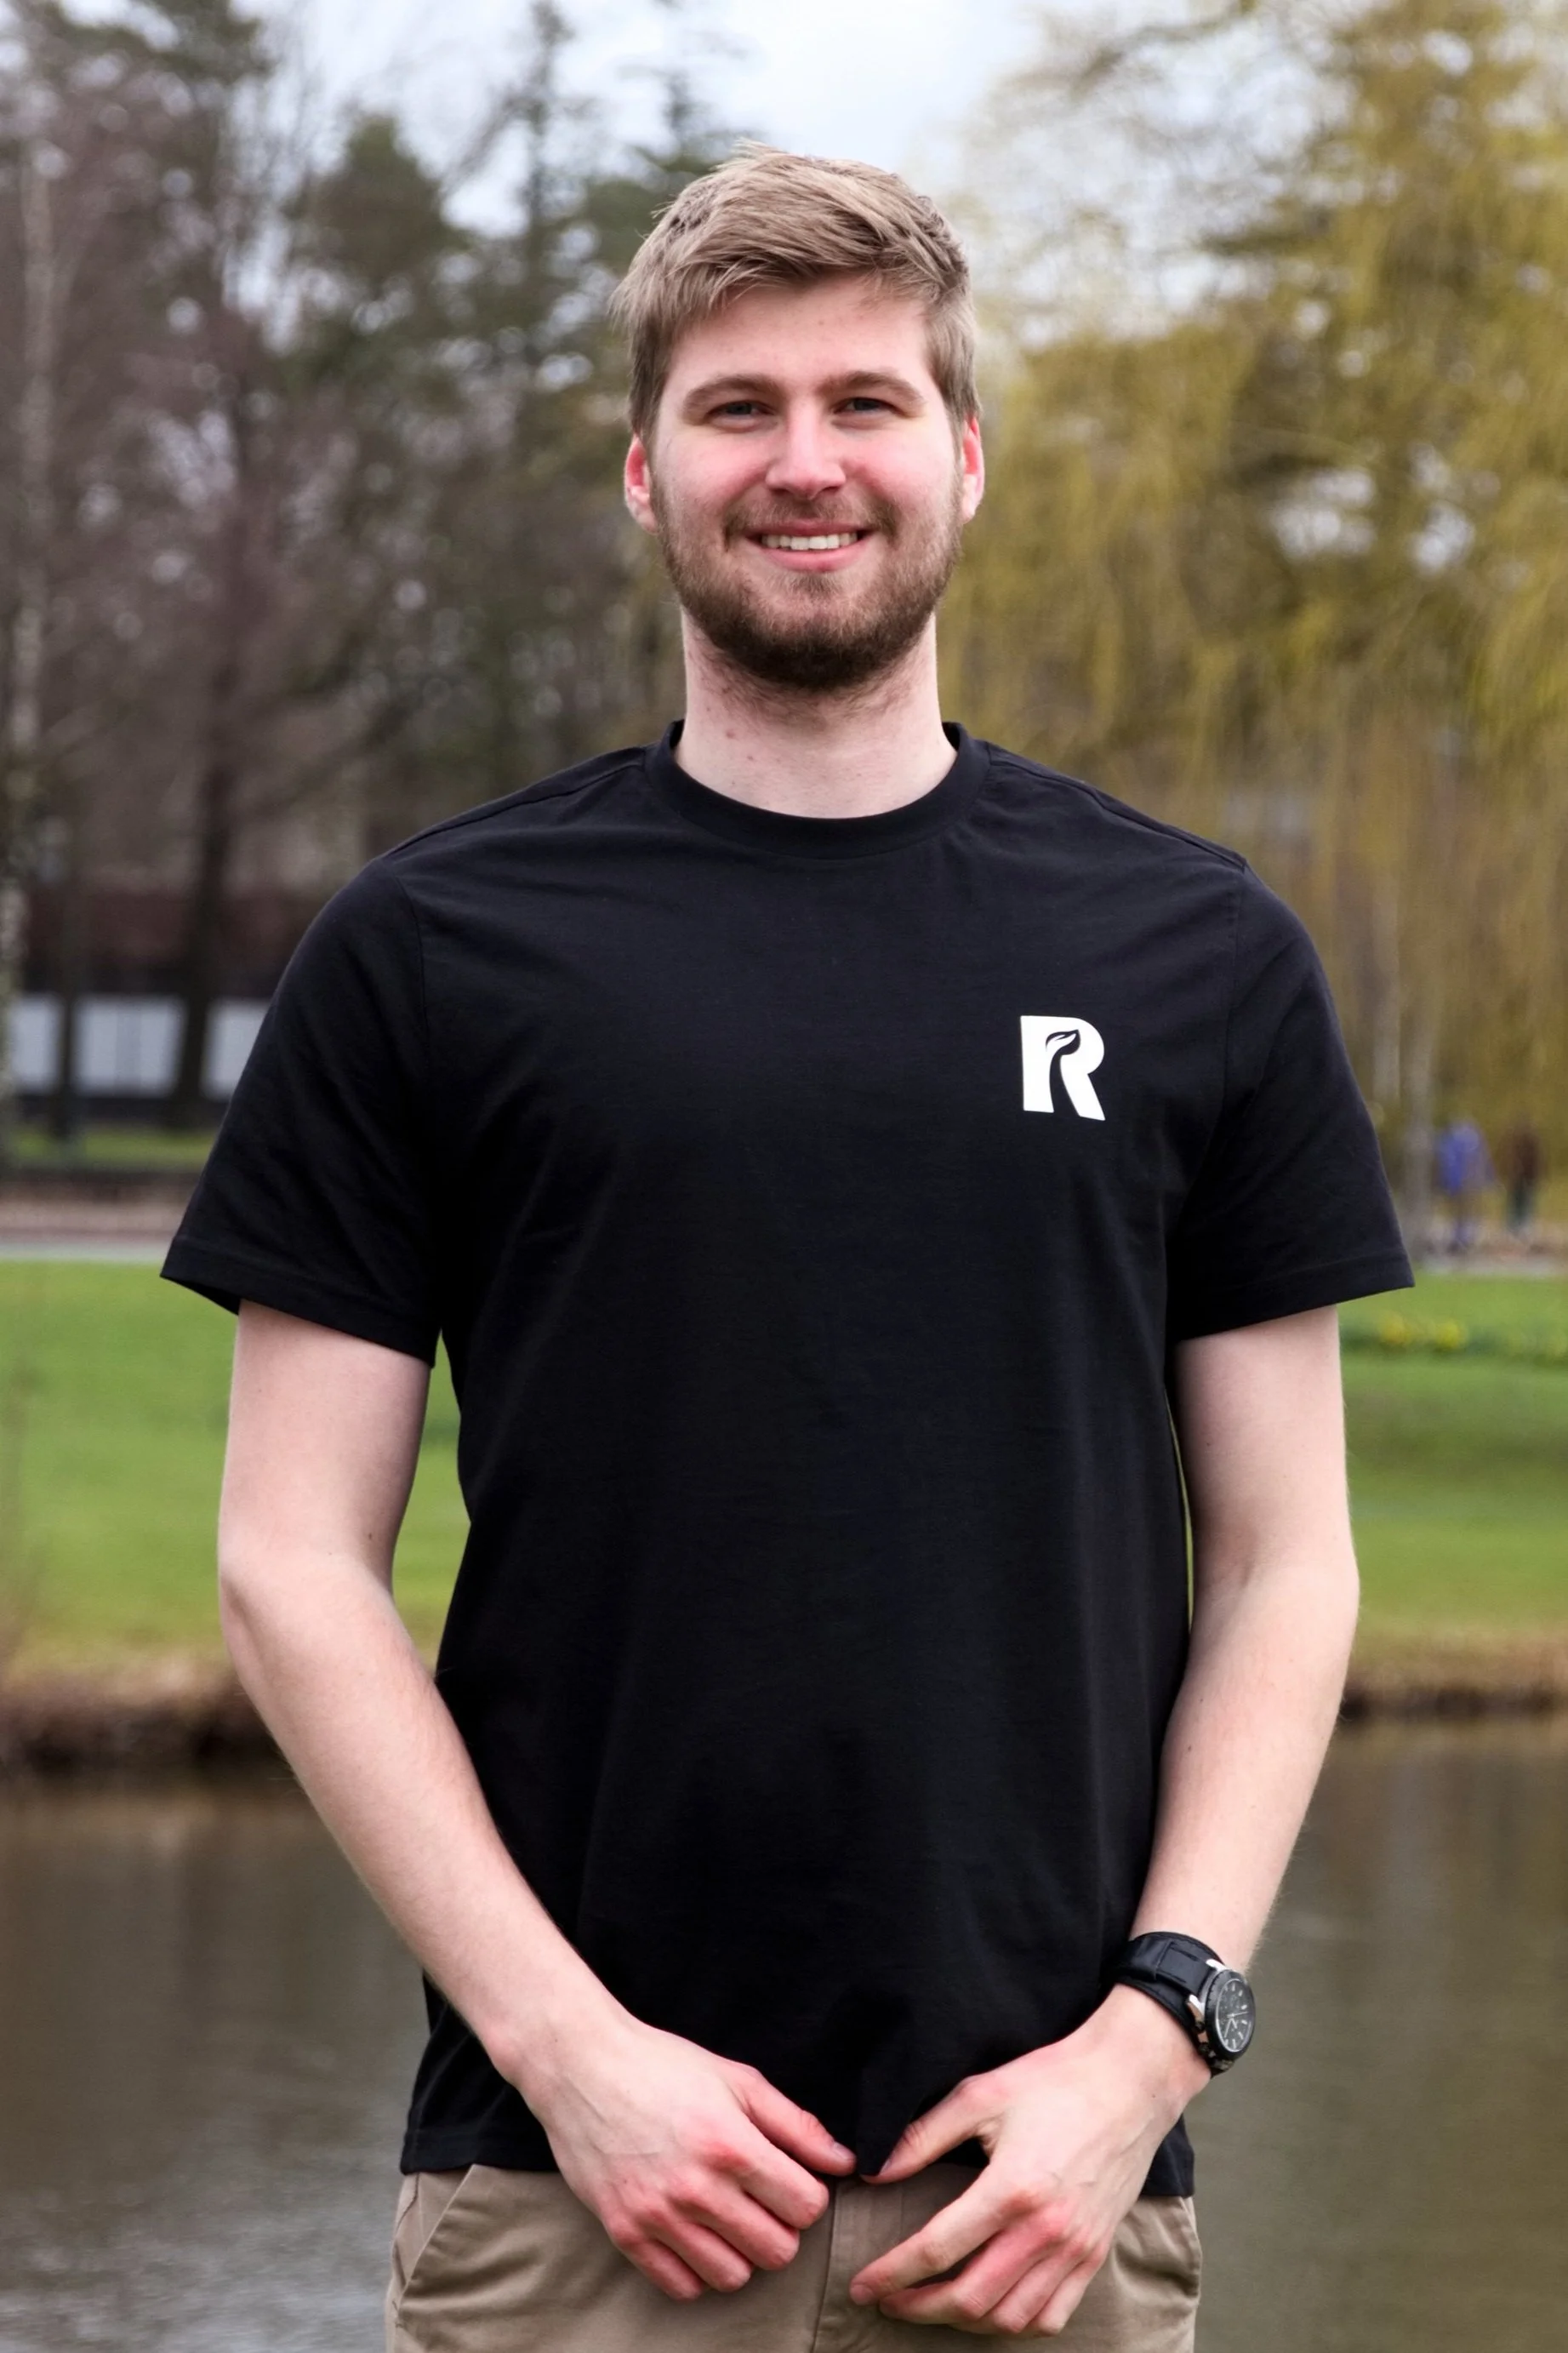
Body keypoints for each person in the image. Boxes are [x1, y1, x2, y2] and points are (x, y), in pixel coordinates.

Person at [162, 146, 1412, 2352]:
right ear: (646, 471)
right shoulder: (433, 948)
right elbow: (289, 1560)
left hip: (1040, 2195)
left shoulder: (1196, 949)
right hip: (578, 2194)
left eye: (865, 402)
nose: (805, 461)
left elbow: (1287, 1559)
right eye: (738, 407)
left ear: (964, 457)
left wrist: (1150, 2046)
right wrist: (569, 2050)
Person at [1434, 1117, 1494, 1255]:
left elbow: (1448, 1162)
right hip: (1468, 1183)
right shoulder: (1473, 1139)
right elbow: (1484, 1159)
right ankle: (1464, 1239)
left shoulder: (1450, 1140)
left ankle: (1461, 1239)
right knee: (1465, 1212)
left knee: (1460, 1212)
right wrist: (1489, 1178)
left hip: (1461, 1183)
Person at [1498, 1122, 1543, 1237]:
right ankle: (1514, 1226)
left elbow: (1536, 1162)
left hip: (1526, 1178)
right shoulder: (1516, 1146)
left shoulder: (1530, 1146)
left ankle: (1523, 1226)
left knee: (1525, 1201)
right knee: (1516, 1202)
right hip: (1517, 1178)